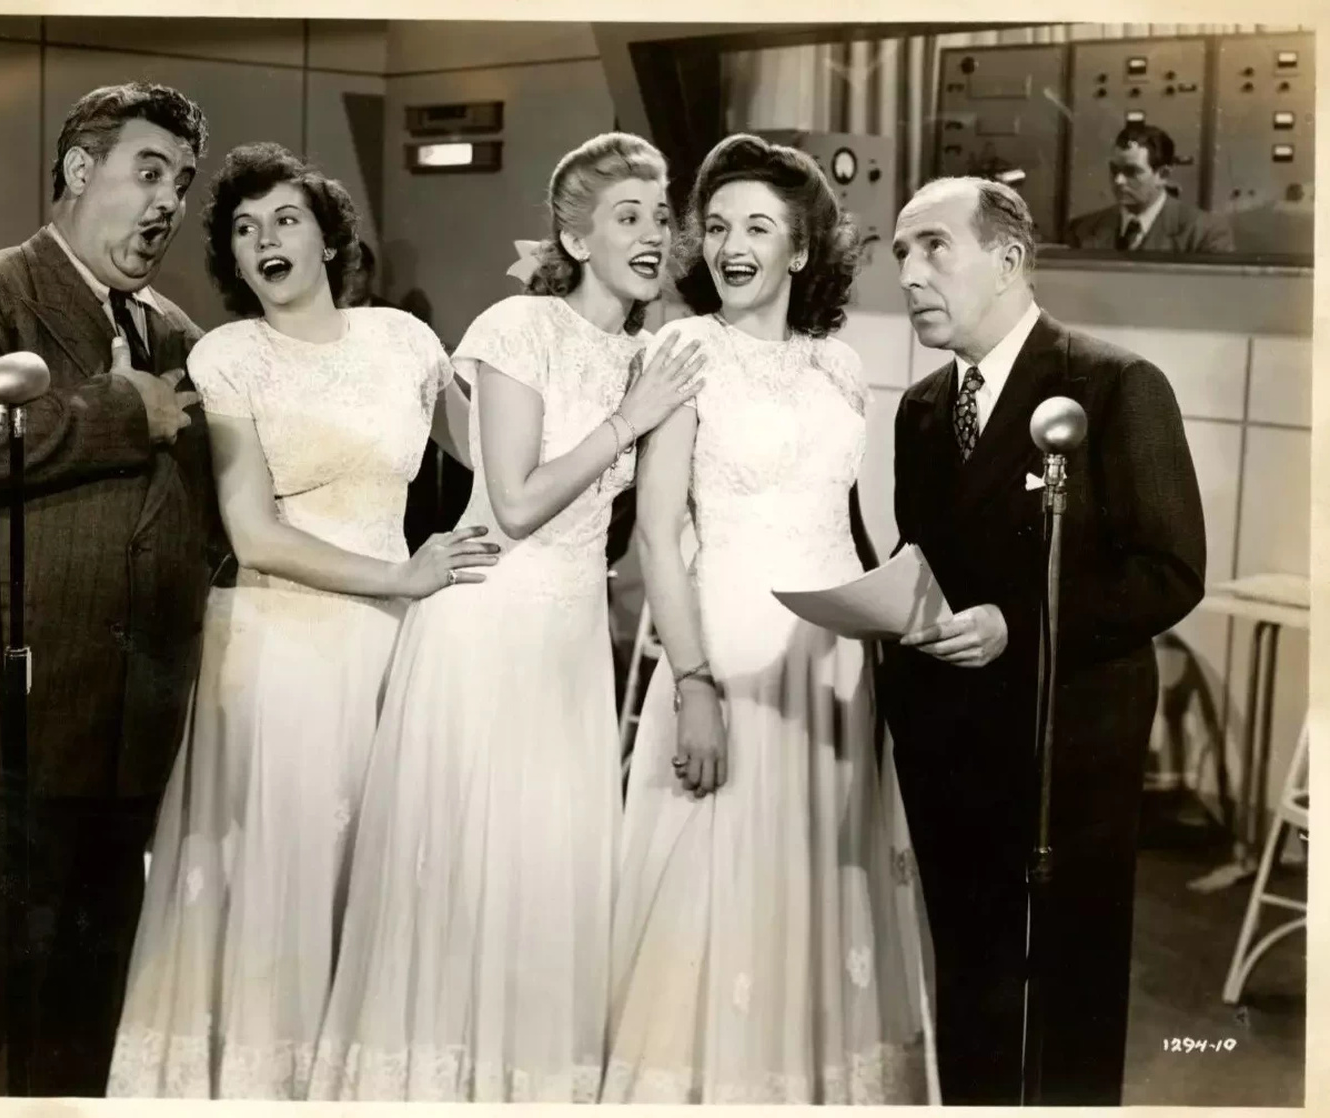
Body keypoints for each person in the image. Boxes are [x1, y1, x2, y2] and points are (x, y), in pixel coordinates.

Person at [307, 132, 704, 1103]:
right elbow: (517, 501)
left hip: (569, 643)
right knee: (470, 871)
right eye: (625, 217)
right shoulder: (518, 326)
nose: (650, 235)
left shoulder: (640, 354)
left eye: (659, 217)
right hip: (487, 631)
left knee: (543, 873)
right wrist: (630, 418)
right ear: (573, 238)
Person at [104, 144, 492, 1099]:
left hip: (394, 648)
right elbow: (254, 533)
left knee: (378, 875)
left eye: (284, 219)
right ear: (234, 262)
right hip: (282, 651)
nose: (264, 239)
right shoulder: (228, 357)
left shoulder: (405, 341)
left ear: (327, 239)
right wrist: (403, 576)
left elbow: (496, 462)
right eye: (243, 229)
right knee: (291, 873)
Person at [0, 82, 213, 1096]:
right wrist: (120, 408)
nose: (168, 202)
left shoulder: (173, 330)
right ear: (78, 168)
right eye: (147, 172)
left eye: (182, 182)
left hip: (121, 739)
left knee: (82, 1023)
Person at [601, 133, 934, 1105]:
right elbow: (656, 535)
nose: (730, 245)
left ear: (800, 247)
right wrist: (692, 684)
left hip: (833, 671)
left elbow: (847, 523)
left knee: (819, 893)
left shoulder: (840, 365)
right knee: (720, 900)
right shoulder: (682, 351)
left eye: (756, 226)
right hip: (729, 660)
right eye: (715, 227)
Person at [886, 176, 1206, 1105]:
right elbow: (928, 562)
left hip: (1067, 750)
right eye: (900, 253)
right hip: (949, 749)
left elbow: (1168, 571)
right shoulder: (919, 408)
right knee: (970, 981)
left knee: (1070, 997)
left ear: (1009, 261)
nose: (908, 274)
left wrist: (1016, 625)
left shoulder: (1114, 386)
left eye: (933, 247)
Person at [1065, 123, 1234, 253]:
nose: (1119, 180)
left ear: (1163, 175)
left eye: (1131, 172)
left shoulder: (1204, 233)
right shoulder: (1081, 230)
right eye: (1114, 170)